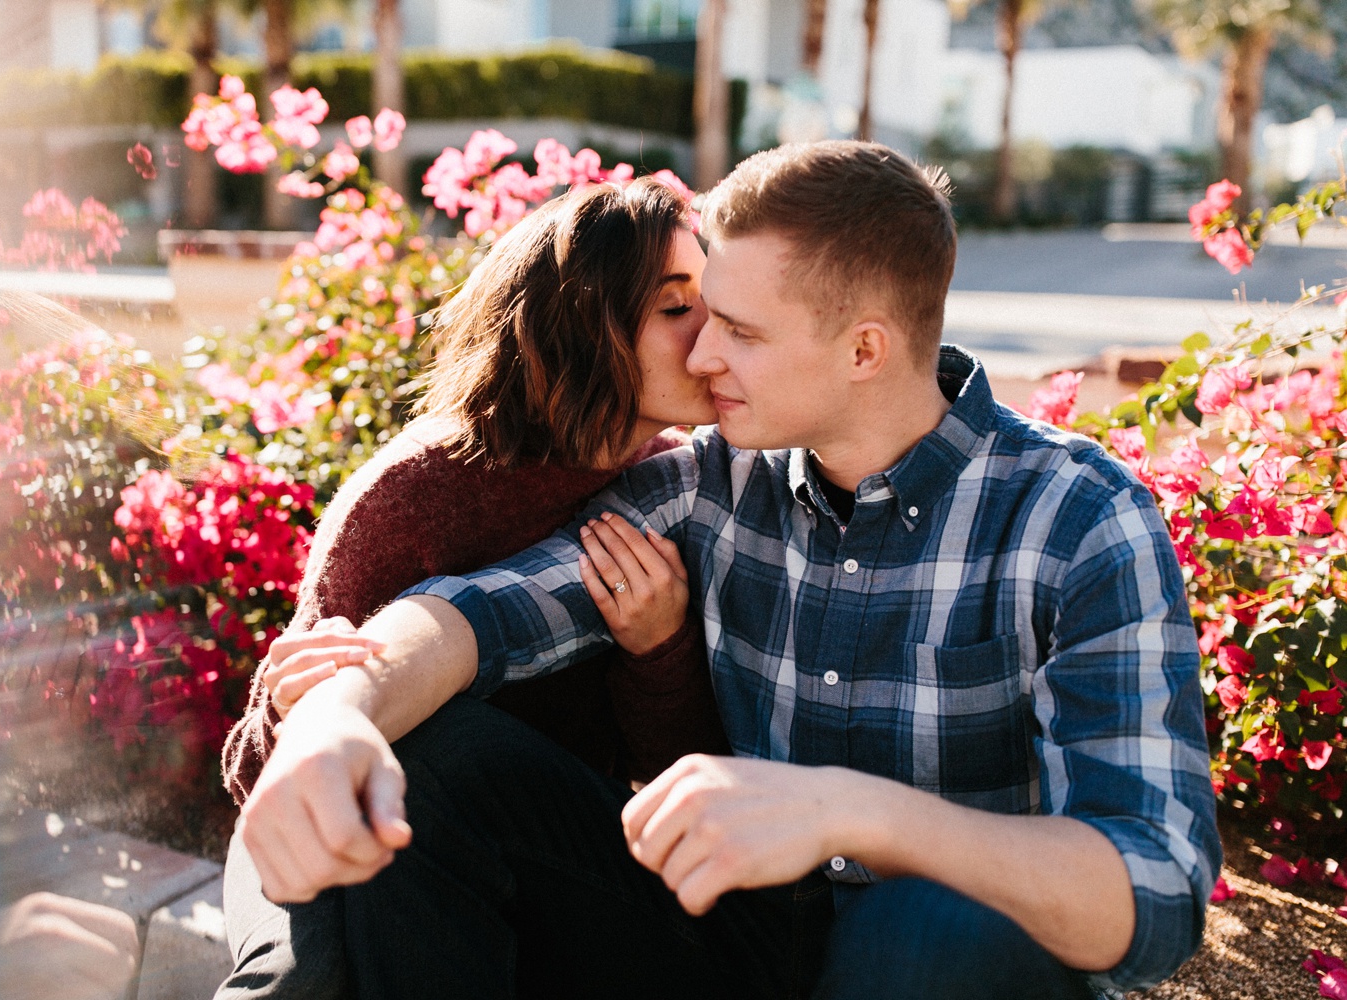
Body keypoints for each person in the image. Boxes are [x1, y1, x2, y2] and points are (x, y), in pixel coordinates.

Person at [237, 141, 1223, 999]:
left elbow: (1155, 890)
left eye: (740, 332)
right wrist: (335, 719)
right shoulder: (707, 478)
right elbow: (474, 616)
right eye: (701, 315)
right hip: (734, 933)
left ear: (865, 350)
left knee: (924, 924)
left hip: (943, 956)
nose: (703, 355)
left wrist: (853, 813)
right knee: (439, 758)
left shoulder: (1077, 518)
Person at [215, 177, 731, 996]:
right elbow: (269, 775)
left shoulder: (675, 486)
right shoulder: (419, 494)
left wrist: (659, 652)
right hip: (339, 826)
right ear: (581, 322)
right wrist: (294, 704)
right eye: (676, 307)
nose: (713, 334)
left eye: (714, 300)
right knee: (301, 980)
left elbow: (673, 778)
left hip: (518, 856)